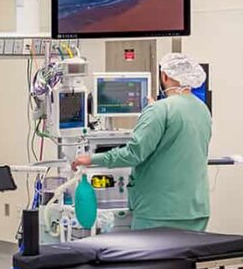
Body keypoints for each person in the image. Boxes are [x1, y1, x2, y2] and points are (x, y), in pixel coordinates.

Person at [72, 53, 213, 231]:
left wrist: (91, 159)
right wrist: (155, 111)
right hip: (196, 210)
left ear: (165, 76)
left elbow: (133, 154)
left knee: (153, 259)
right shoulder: (202, 109)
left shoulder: (159, 110)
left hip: (160, 212)